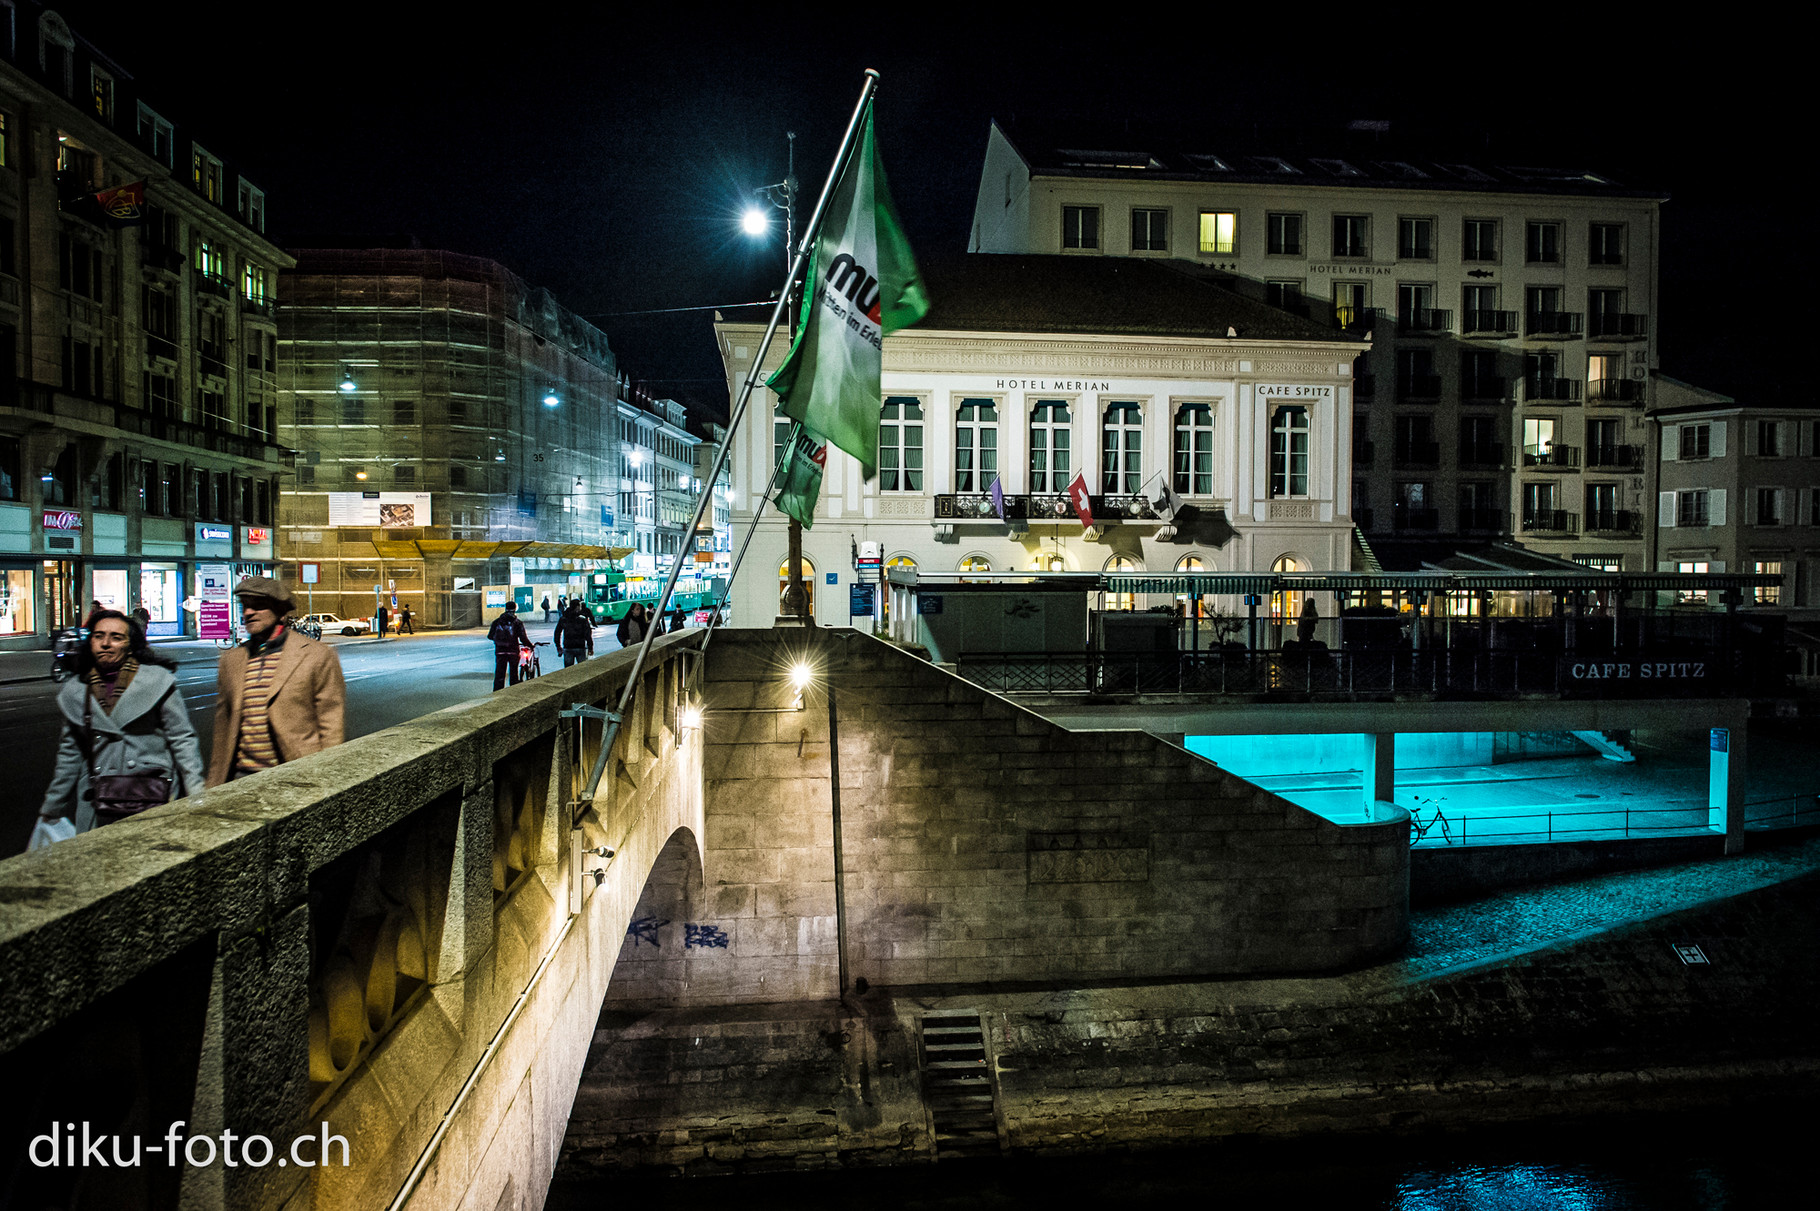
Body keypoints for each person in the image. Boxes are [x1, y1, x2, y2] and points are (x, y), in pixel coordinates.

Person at [38, 610, 205, 832]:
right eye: (99, 636)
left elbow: (182, 739)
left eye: (116, 637)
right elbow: (70, 754)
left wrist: (197, 794)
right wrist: (52, 807)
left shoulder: (157, 681)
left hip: (150, 795)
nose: (106, 643)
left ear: (130, 645)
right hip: (98, 800)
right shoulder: (76, 691)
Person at [207, 577, 347, 786]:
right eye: (245, 606)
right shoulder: (232, 660)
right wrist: (213, 785)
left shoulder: (318, 655)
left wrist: (326, 783)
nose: (248, 613)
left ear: (280, 612)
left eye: (258, 606)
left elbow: (331, 728)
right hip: (240, 781)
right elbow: (223, 731)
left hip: (296, 779)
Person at [489, 600, 532, 690]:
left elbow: (490, 636)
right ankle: (512, 693)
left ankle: (497, 694)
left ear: (505, 608)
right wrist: (530, 645)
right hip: (513, 652)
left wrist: (499, 641)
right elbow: (523, 638)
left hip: (500, 652)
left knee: (499, 674)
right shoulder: (517, 623)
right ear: (515, 609)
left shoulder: (496, 622)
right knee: (513, 674)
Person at [555, 602, 594, 667]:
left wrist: (558, 645)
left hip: (568, 646)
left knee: (568, 670)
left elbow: (557, 632)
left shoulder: (563, 619)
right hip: (580, 646)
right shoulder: (582, 620)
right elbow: (587, 634)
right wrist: (590, 647)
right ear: (577, 607)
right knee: (582, 669)